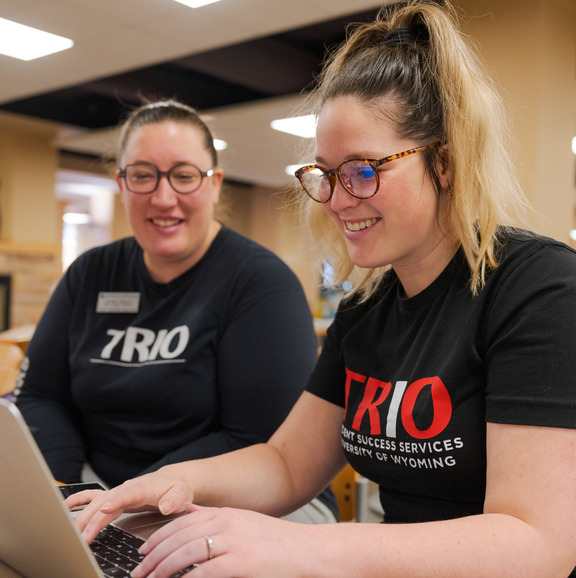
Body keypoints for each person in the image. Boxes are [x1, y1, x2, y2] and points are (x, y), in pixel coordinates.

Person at [69, 2, 576, 576]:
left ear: (446, 164)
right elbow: (287, 465)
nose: (336, 199)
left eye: (363, 170)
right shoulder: (366, 312)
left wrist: (305, 546)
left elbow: (538, 542)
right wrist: (167, 484)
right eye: (326, 175)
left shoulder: (537, 289)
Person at [13, 99, 337, 523]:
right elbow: (41, 397)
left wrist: (132, 500)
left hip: (246, 498)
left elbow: (255, 439)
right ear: (121, 183)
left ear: (215, 183)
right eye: (143, 176)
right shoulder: (90, 274)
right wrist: (69, 490)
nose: (164, 198)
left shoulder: (261, 285)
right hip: (105, 489)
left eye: (184, 176)